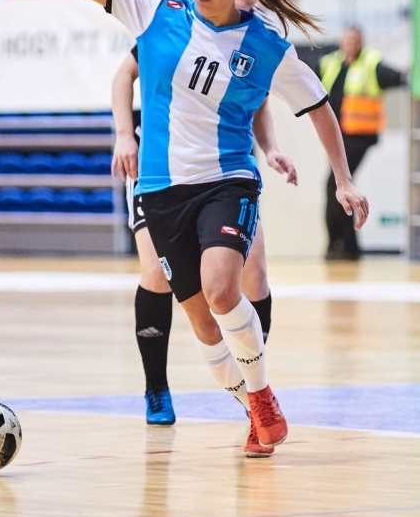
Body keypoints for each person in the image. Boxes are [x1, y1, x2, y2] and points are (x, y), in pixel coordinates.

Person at [67, 0, 368, 459]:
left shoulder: (266, 47)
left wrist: (343, 180)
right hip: (160, 190)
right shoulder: (157, 9)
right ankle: (253, 405)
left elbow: (320, 107)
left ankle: (262, 397)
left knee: (224, 287)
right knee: (205, 327)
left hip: (226, 181)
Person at [111, 45, 297, 430]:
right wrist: (124, 134)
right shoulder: (173, 25)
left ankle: (254, 391)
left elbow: (260, 100)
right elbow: (124, 73)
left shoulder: (252, 37)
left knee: (254, 273)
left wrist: (270, 148)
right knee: (156, 273)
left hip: (222, 170)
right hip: (159, 167)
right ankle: (156, 387)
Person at [318, 25, 408, 260]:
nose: (349, 43)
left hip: (358, 136)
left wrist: (409, 73)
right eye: (346, 39)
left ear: (361, 42)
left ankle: (340, 244)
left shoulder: (370, 63)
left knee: (336, 185)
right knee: (339, 187)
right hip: (336, 136)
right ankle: (346, 246)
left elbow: (396, 77)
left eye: (354, 40)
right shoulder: (332, 63)